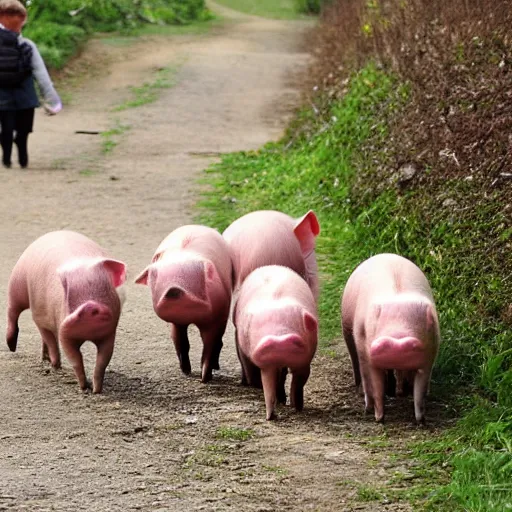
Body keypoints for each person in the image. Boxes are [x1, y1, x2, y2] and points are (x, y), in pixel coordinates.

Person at [0, 0, 61, 169]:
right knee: (24, 128)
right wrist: (53, 101)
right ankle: (23, 157)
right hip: (25, 93)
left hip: (2, 93)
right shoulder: (27, 44)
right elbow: (41, 75)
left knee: (6, 126)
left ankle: (6, 158)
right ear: (22, 20)